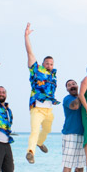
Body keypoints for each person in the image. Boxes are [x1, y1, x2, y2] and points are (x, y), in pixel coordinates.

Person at [24, 23, 59, 164]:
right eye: (47, 63)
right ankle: (30, 152)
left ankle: (40, 143)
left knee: (48, 128)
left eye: (51, 64)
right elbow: (30, 53)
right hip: (37, 108)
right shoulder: (36, 70)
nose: (49, 65)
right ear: (43, 63)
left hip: (49, 109)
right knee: (34, 130)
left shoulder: (53, 76)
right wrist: (26, 36)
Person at [60, 79, 87, 172]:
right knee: (68, 163)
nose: (72, 86)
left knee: (80, 163)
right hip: (70, 133)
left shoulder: (83, 98)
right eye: (69, 85)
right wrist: (81, 95)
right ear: (67, 89)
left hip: (83, 134)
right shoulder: (67, 99)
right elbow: (75, 106)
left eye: (74, 84)